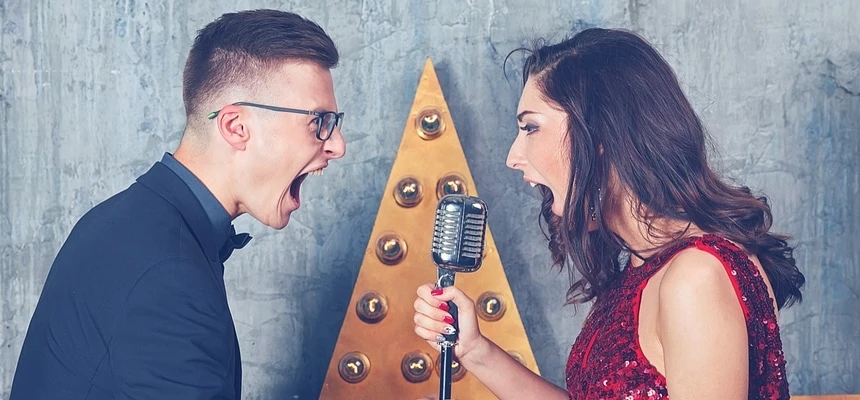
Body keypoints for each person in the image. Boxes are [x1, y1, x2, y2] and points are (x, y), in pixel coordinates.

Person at [413, 28, 804, 400]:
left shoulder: (697, 277)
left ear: (598, 133)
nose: (513, 157)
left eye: (530, 127)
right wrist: (475, 350)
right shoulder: (642, 265)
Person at [10, 9, 345, 399]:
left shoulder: (130, 221)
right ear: (236, 127)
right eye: (319, 122)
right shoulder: (168, 275)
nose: (338, 146)